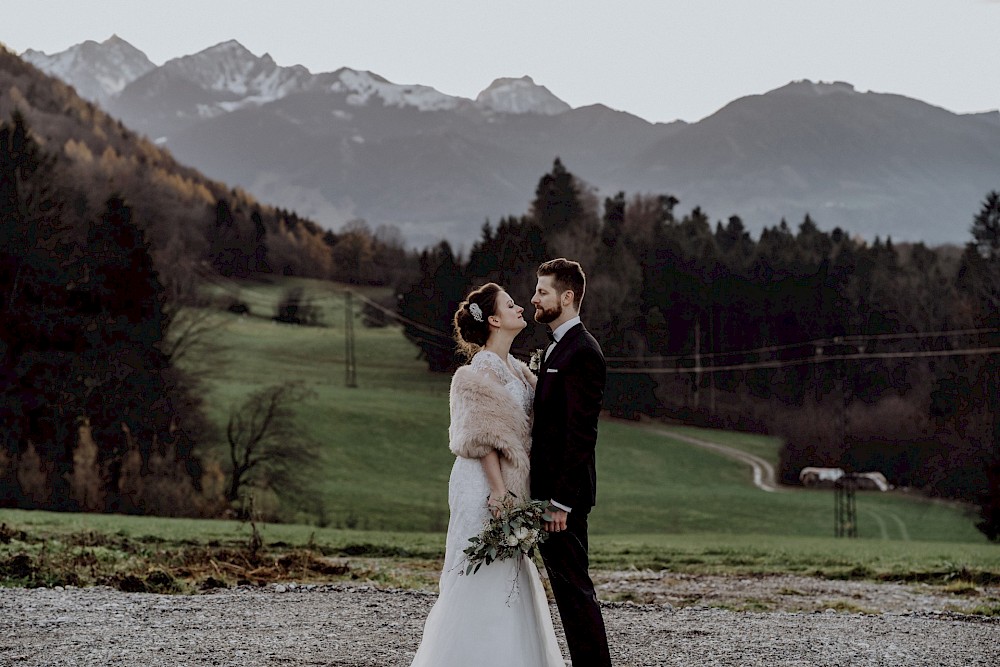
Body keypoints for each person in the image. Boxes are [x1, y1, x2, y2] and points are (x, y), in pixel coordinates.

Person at [409, 282, 564, 667]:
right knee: (483, 569)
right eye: (510, 305)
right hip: (484, 481)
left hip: (510, 480)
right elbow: (484, 436)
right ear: (494, 319)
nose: (520, 307)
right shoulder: (481, 370)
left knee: (508, 565)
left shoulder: (515, 367)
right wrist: (498, 491)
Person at [530, 258, 612, 667]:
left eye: (542, 291)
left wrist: (561, 501)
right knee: (566, 589)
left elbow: (581, 434)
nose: (534, 298)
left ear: (567, 297)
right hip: (550, 494)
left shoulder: (583, 352)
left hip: (565, 499)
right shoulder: (556, 347)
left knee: (575, 590)